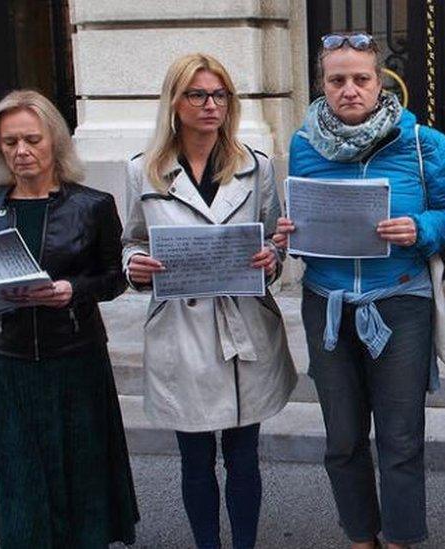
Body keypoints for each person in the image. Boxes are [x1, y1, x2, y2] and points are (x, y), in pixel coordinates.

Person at [278, 33, 445, 549]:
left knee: (401, 438)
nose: (350, 90)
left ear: (380, 82)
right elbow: (300, 218)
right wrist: (289, 233)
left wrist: (420, 229)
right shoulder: (303, 143)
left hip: (400, 300)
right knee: (342, 437)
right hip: (328, 303)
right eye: (337, 80)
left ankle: (401, 539)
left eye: (361, 78)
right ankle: (361, 538)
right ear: (323, 84)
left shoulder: (426, 145)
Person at [122, 53, 296, 549]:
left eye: (219, 95)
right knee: (195, 459)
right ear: (174, 103)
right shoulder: (144, 171)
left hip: (243, 328)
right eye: (197, 95)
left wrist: (272, 258)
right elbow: (132, 240)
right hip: (182, 330)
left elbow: (274, 242)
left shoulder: (255, 167)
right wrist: (134, 266)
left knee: (244, 455)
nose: (210, 105)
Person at [0, 90, 138, 547]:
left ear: (55, 142)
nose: (21, 151)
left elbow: (114, 278)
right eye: (10, 143)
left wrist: (74, 290)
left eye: (32, 139)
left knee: (83, 472)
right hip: (10, 360)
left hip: (76, 357)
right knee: (21, 474)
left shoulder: (91, 206)